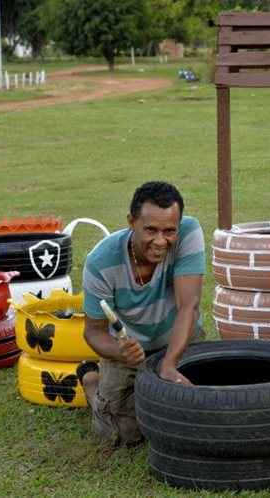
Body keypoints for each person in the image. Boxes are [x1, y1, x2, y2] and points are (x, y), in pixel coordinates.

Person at [77, 181, 205, 447]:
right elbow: (94, 331)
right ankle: (91, 382)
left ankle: (155, 378)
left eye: (169, 230)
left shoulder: (189, 232)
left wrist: (169, 364)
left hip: (179, 340)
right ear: (131, 222)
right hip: (129, 350)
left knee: (199, 411)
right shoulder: (100, 262)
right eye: (150, 230)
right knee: (124, 435)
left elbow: (188, 305)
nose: (161, 241)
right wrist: (118, 351)